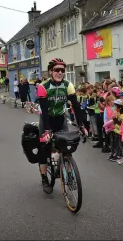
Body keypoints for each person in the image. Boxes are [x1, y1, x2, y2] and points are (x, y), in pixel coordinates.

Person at [36, 58, 86, 194]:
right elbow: (45, 111)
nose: (60, 73)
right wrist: (46, 130)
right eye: (57, 70)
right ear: (51, 71)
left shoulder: (67, 85)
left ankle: (69, 175)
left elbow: (76, 106)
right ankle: (44, 178)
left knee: (66, 148)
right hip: (47, 120)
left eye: (62, 70)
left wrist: (81, 125)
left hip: (60, 119)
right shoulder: (43, 87)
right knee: (44, 148)